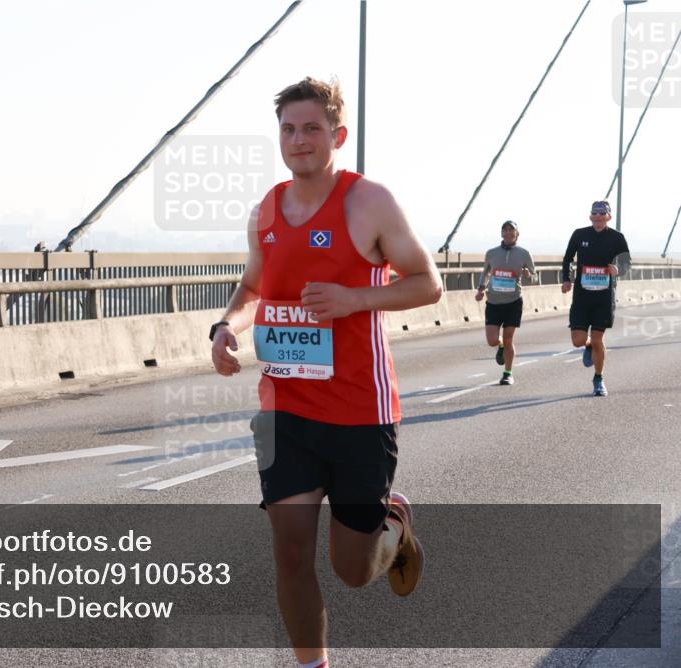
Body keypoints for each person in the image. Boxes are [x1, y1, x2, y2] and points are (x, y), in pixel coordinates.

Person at [209, 77, 442, 668]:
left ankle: (393, 526)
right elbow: (254, 287)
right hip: (285, 407)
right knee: (290, 554)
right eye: (288, 129)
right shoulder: (266, 209)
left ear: (337, 135)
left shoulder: (369, 202)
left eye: (311, 127)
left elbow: (428, 283)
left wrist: (353, 299)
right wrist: (227, 327)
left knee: (352, 571)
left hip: (360, 410)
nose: (299, 139)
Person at [561, 200, 631, 397]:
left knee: (599, 338)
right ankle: (588, 344)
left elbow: (626, 262)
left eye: (602, 214)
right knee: (578, 340)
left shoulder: (617, 238)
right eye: (595, 214)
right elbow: (567, 258)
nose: (598, 218)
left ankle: (598, 378)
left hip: (604, 296)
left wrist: (619, 270)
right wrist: (566, 280)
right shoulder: (579, 234)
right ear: (590, 216)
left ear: (608, 217)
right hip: (582, 296)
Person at [475, 221, 536, 385]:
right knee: (492, 340)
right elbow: (485, 272)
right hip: (493, 301)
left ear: (517, 234)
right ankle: (500, 345)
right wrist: (480, 289)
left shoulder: (524, 253)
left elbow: (534, 275)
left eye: (512, 230)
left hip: (513, 302)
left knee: (509, 339)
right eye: (505, 230)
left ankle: (508, 373)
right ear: (502, 233)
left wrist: (527, 275)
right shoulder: (491, 253)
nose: (508, 233)